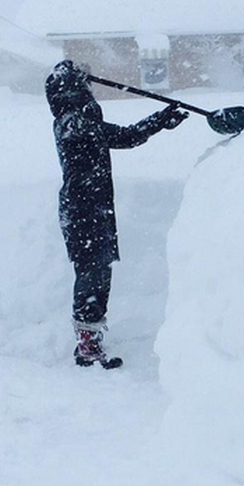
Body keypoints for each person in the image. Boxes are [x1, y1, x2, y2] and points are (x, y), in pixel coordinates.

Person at [45, 60, 189, 369]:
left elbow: (126, 137)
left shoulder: (83, 120)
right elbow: (92, 125)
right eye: (82, 86)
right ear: (69, 92)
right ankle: (87, 345)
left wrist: (159, 121)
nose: (88, 91)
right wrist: (81, 92)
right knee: (90, 273)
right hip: (81, 208)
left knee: (100, 274)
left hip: (95, 206)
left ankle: (91, 339)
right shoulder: (70, 121)